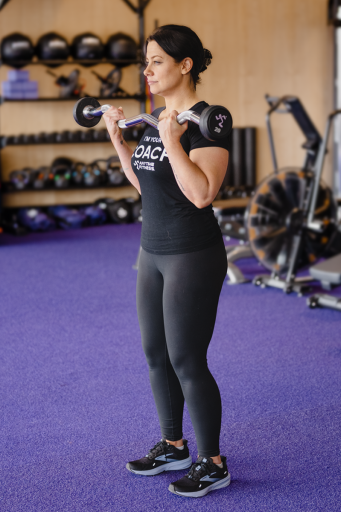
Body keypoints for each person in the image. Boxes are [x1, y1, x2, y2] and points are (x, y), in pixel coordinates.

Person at [101, 25, 231, 498]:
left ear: (184, 65)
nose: (147, 70)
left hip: (191, 255)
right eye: (146, 61)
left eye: (156, 61)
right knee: (156, 355)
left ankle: (212, 462)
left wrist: (172, 139)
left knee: (186, 359)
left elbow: (201, 194)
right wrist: (120, 141)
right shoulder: (160, 120)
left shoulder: (209, 120)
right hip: (150, 251)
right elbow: (148, 187)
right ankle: (174, 444)